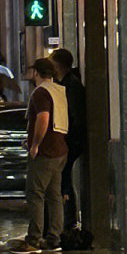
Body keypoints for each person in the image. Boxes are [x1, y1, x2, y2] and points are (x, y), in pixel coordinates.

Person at [10, 58, 68, 254]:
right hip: (60, 148)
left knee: (35, 194)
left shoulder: (41, 92)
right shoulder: (59, 90)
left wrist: (35, 144)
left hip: (46, 151)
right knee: (54, 196)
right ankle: (54, 238)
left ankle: (34, 240)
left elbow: (43, 118)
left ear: (36, 72)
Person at [50, 48, 87, 231]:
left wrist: (68, 138)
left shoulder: (71, 85)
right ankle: (67, 220)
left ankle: (68, 221)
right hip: (71, 140)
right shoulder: (68, 83)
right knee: (63, 180)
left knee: (63, 181)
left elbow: (75, 115)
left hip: (71, 141)